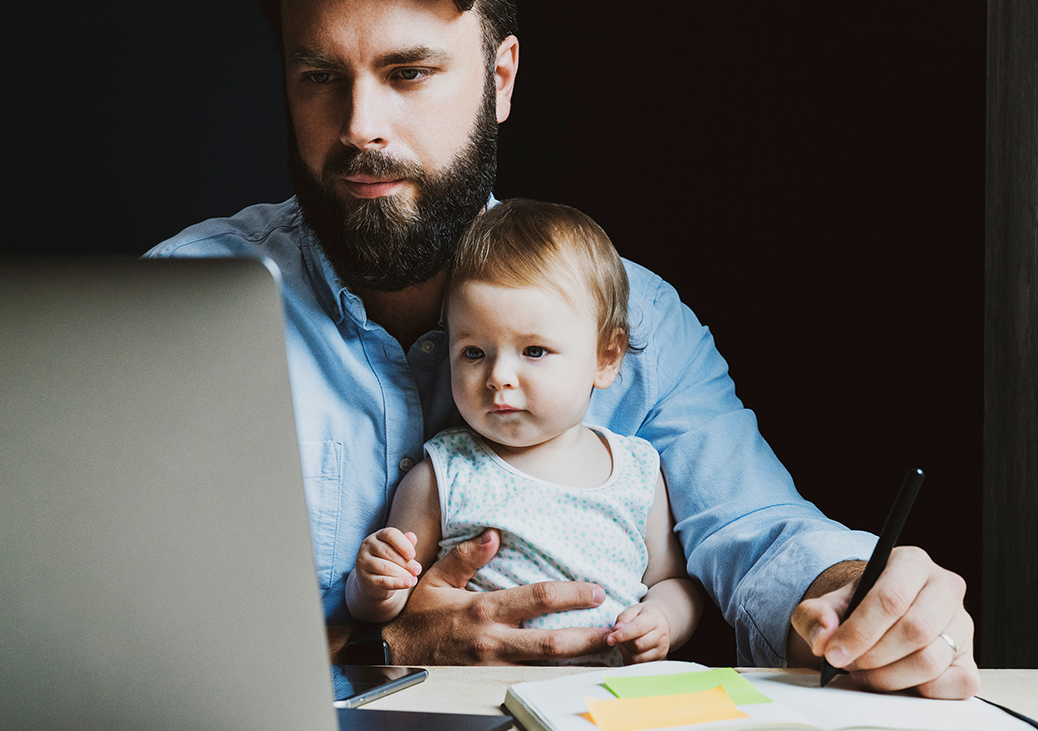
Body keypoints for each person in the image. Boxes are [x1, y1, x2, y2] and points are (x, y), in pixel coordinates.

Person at [146, 0, 979, 698]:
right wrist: (377, 647)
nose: (361, 126)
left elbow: (757, 530)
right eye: (320, 77)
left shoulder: (636, 316)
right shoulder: (173, 309)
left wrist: (853, 599)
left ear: (500, 79)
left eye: (409, 74)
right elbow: (118, 629)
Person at [346, 199, 703, 665]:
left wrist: (664, 620)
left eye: (533, 351)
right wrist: (374, 582)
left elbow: (670, 582)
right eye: (474, 353)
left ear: (606, 358)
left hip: (605, 700)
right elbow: (388, 611)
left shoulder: (635, 471)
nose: (499, 377)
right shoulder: (442, 474)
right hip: (480, 700)